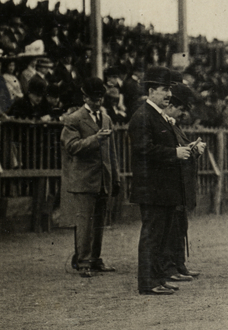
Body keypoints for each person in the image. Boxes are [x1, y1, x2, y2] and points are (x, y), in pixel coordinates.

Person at [128, 66, 193, 296]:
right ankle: (147, 282)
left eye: (169, 90)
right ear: (151, 90)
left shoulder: (157, 116)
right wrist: (174, 153)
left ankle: (158, 278)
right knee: (152, 236)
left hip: (162, 188)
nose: (168, 95)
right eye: (164, 90)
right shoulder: (143, 116)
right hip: (151, 188)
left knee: (161, 236)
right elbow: (143, 149)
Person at [59, 77, 121, 278]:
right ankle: (83, 261)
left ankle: (95, 259)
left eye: (100, 98)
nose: (98, 102)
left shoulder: (106, 118)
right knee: (84, 222)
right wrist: (95, 139)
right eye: (94, 98)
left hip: (103, 178)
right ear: (85, 97)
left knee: (99, 222)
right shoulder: (73, 119)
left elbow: (112, 152)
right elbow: (71, 147)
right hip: (84, 180)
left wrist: (116, 178)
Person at [165, 82, 207, 280]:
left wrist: (192, 149)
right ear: (172, 106)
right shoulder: (165, 125)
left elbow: (181, 149)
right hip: (171, 184)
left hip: (180, 185)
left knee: (181, 226)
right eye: (181, 110)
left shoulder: (174, 125)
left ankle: (179, 264)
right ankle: (172, 267)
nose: (183, 115)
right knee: (172, 228)